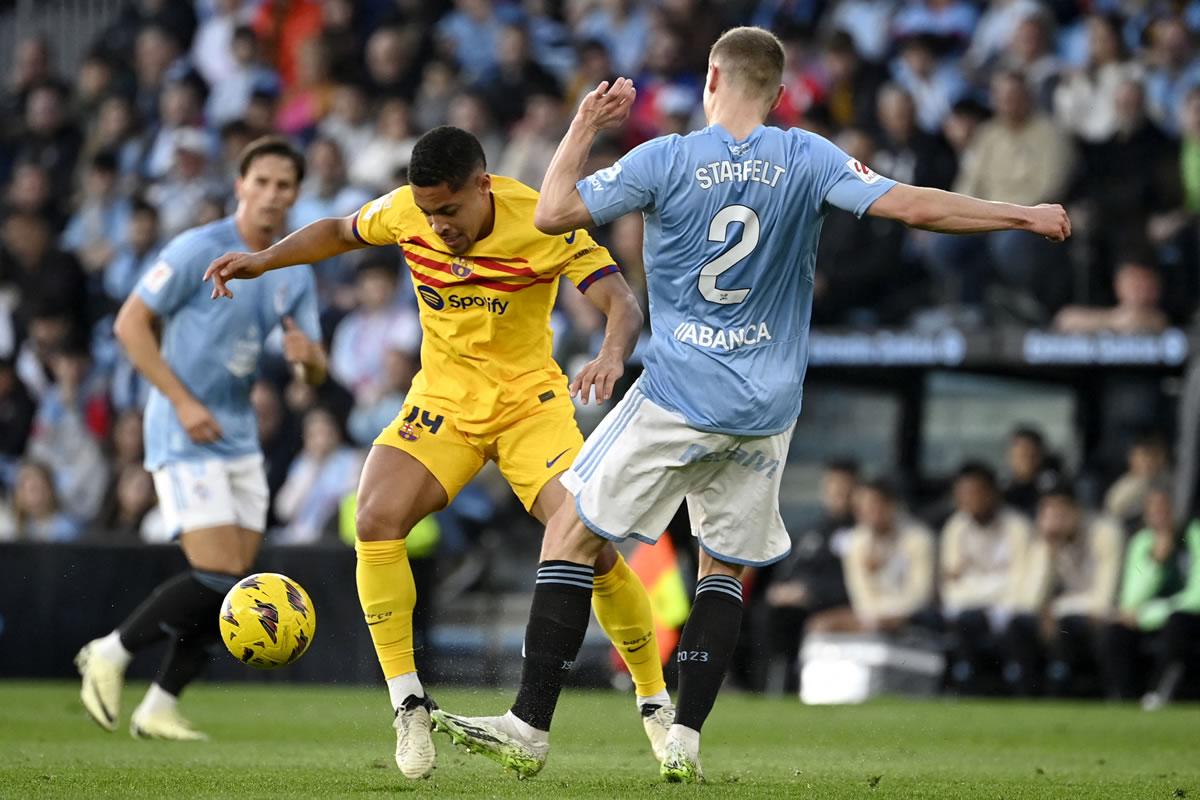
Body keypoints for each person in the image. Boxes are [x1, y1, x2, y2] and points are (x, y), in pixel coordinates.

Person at [429, 25, 1069, 783]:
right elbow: (912, 207)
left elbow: (552, 212)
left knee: (568, 534)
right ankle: (684, 741)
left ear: (710, 79)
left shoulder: (665, 158)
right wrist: (1021, 213)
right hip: (765, 409)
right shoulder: (807, 156)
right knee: (721, 571)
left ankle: (529, 723)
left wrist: (582, 125)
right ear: (780, 93)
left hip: (677, 392)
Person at [203, 125, 667, 781]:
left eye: (448, 211)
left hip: (528, 406)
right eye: (428, 213)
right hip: (444, 403)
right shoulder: (405, 211)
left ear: (482, 186)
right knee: (373, 519)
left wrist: (610, 354)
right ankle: (409, 704)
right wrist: (263, 260)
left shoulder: (542, 219)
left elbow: (620, 299)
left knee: (587, 543)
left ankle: (654, 702)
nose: (437, 225)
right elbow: (339, 230)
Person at [74, 136, 327, 742]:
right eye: (260, 182)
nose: (271, 195)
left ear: (296, 194)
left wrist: (307, 357)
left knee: (235, 582)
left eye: (283, 185)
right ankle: (108, 651)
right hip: (182, 428)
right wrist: (182, 401)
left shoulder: (293, 267)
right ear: (240, 186)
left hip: (238, 436)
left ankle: (159, 705)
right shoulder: (198, 247)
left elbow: (314, 373)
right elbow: (129, 324)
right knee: (217, 573)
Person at [1003, 484, 1122, 696]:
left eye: (1061, 512)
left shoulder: (1106, 533)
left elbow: (1104, 600)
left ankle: (1064, 694)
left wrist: (1055, 608)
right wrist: (1049, 550)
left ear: (1077, 510)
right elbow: (1030, 601)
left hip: (1101, 618)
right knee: (1018, 625)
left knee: (1065, 626)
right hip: (1064, 615)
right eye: (1048, 512)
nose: (1055, 520)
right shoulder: (1046, 538)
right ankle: (1024, 698)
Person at [938, 462, 1032, 694]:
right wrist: (992, 586)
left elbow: (1021, 582)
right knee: (965, 621)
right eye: (962, 494)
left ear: (992, 492)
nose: (968, 500)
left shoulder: (1017, 527)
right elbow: (951, 586)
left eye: (975, 493)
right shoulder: (955, 528)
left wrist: (976, 584)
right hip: (970, 610)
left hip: (1009, 609)